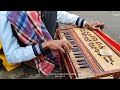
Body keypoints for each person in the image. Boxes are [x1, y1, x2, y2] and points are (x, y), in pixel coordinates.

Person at [0, 11, 104, 76]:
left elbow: (57, 14)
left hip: (41, 35)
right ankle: (40, 53)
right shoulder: (5, 15)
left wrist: (84, 22)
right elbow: (12, 55)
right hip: (26, 46)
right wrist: (45, 45)